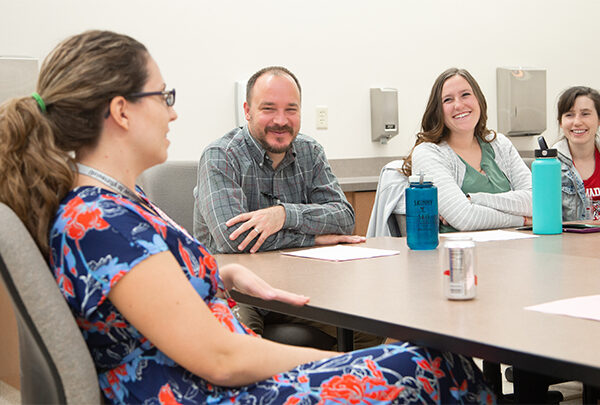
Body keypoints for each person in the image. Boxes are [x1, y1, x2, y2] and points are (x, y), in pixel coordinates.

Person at [0, 31, 494, 404]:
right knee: (435, 367)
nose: (172, 114)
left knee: (432, 360)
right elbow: (221, 356)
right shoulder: (101, 219)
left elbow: (151, 287)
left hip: (207, 378)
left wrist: (222, 271)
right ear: (122, 112)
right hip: (203, 390)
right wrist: (340, 362)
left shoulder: (116, 204)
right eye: (163, 97)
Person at [193, 66, 381, 350]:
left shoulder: (310, 151)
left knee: (370, 328)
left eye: (290, 110)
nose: (280, 121)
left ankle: (325, 388)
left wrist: (283, 215)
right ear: (247, 110)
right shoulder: (221, 156)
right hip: (237, 290)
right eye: (268, 109)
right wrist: (312, 238)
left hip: (298, 285)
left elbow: (343, 218)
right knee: (242, 347)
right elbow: (233, 240)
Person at [402, 67, 532, 232]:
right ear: (438, 111)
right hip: (457, 254)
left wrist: (473, 200)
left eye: (465, 95)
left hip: (516, 250)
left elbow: (537, 201)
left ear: (478, 100)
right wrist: (522, 219)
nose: (459, 105)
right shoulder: (428, 153)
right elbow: (465, 218)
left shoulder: (500, 144)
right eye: (448, 100)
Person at [552, 86, 600, 221]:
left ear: (599, 120)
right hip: (570, 241)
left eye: (585, 114)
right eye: (569, 115)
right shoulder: (549, 165)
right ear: (561, 122)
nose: (577, 122)